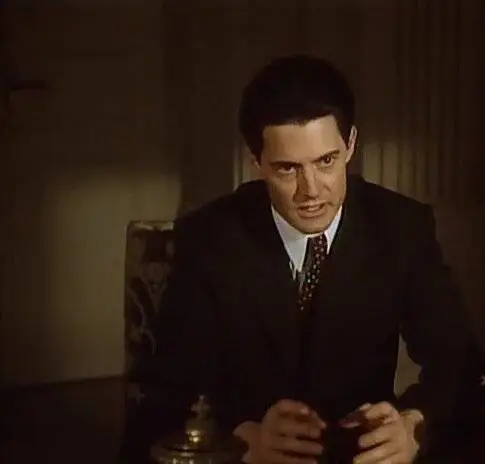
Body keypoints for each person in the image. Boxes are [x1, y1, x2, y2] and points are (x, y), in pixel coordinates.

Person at [120, 55, 480, 464]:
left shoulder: (401, 227)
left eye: (326, 161)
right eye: (287, 168)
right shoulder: (208, 238)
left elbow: (459, 362)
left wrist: (415, 425)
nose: (311, 191)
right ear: (256, 162)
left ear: (350, 145)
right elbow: (169, 389)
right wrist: (243, 437)